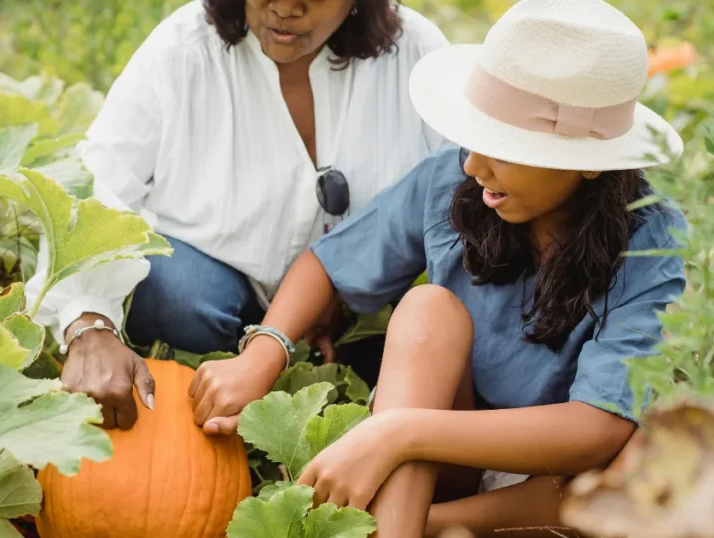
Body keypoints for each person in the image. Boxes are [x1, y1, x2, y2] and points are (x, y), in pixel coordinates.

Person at [188, 0, 687, 535]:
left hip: (555, 484)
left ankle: (410, 525)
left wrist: (398, 433)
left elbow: (596, 430)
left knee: (652, 444)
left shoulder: (649, 239)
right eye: (476, 137)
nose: (473, 164)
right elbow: (328, 263)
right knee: (428, 309)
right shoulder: (456, 182)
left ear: (588, 164)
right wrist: (265, 351)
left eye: (505, 147)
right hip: (448, 453)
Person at [23, 0, 450, 429]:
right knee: (171, 292)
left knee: (414, 329)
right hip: (217, 300)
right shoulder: (182, 51)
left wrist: (343, 287)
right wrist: (88, 320)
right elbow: (100, 184)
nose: (285, 8)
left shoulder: (416, 57)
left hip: (355, 316)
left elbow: (462, 201)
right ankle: (233, 374)